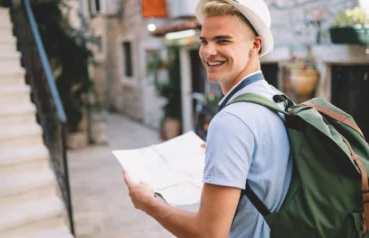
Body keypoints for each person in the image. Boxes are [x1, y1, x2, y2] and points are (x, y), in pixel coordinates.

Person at [123, 0, 292, 237]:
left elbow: (209, 234)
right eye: (204, 41)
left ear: (255, 44)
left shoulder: (231, 122)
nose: (208, 51)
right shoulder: (276, 98)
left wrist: (149, 203)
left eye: (223, 40)